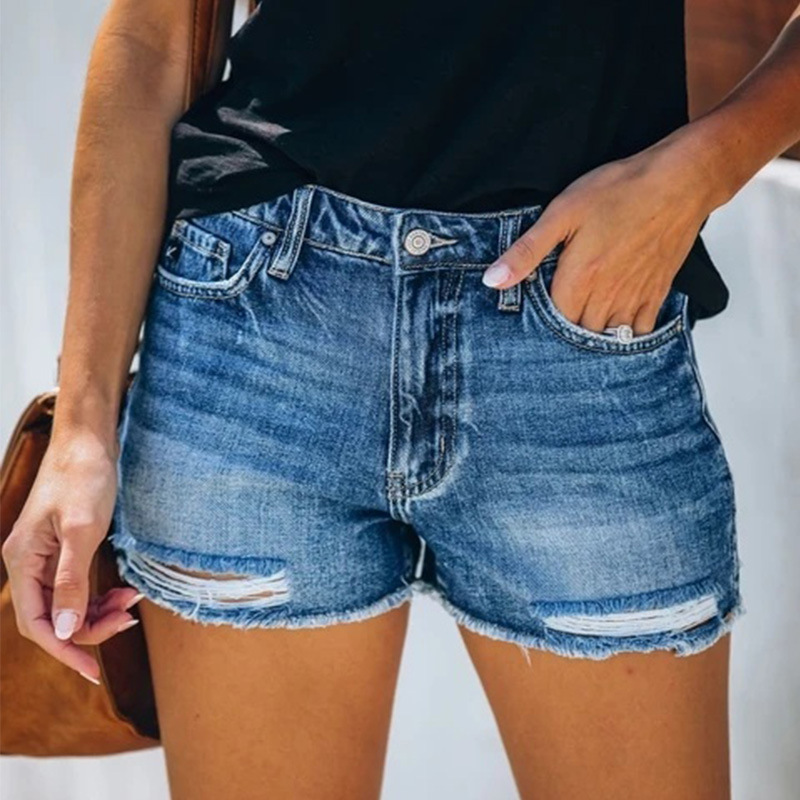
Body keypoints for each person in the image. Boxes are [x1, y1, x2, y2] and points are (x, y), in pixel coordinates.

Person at [3, 0, 799, 797]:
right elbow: (154, 36)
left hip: (575, 339)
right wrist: (81, 432)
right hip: (260, 334)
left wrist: (699, 172)